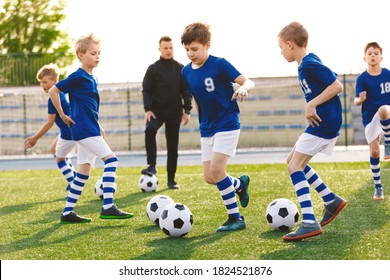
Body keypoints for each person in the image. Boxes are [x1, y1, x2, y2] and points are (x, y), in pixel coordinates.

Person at [49, 33, 133, 223]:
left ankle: (67, 212)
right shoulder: (78, 76)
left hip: (90, 128)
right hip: (83, 130)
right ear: (80, 55)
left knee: (83, 173)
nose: (97, 56)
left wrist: (99, 125)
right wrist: (62, 114)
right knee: (112, 161)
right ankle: (108, 206)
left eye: (98, 53)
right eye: (92, 53)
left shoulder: (92, 78)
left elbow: (88, 107)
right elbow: (53, 90)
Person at [180, 22, 254, 232]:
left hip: (227, 122)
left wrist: (243, 89)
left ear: (207, 45)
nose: (190, 54)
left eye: (194, 49)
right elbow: (196, 97)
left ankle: (235, 218)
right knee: (210, 177)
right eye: (187, 50)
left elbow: (248, 81)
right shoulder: (186, 72)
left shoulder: (220, 64)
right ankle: (240, 184)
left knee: (217, 170)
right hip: (207, 127)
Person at [277, 21, 347, 241]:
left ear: (290, 45)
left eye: (280, 47)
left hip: (323, 122)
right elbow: (329, 78)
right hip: (323, 121)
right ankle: (331, 200)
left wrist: (312, 104)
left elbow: (337, 85)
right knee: (293, 160)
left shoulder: (308, 64)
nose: (280, 52)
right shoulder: (308, 63)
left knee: (294, 166)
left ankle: (309, 221)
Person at [141, 36, 192, 189]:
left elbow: (186, 91)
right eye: (165, 48)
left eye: (171, 47)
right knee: (149, 130)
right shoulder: (153, 68)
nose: (168, 50)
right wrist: (148, 109)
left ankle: (171, 180)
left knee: (172, 146)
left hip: (174, 112)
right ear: (160, 49)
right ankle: (152, 165)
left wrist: (187, 111)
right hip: (156, 111)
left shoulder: (180, 68)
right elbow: (146, 90)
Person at [25, 64, 77, 191]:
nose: (42, 85)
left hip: (67, 132)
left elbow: (49, 122)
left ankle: (73, 184)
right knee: (53, 149)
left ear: (55, 81)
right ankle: (73, 176)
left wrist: (35, 138)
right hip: (71, 130)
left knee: (60, 158)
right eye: (40, 82)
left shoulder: (52, 99)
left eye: (45, 82)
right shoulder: (63, 92)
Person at [354, 42, 390, 201]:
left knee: (384, 109)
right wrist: (359, 100)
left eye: (376, 53)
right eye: (370, 53)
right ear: (365, 58)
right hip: (369, 117)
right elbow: (356, 101)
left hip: (386, 112)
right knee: (374, 152)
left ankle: (388, 143)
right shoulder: (362, 78)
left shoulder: (388, 74)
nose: (373, 55)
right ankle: (378, 187)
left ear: (381, 57)